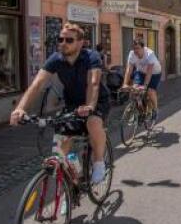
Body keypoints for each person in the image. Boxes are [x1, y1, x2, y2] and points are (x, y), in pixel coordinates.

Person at [10, 23, 110, 184]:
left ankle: (99, 163)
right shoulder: (56, 59)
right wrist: (20, 109)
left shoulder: (91, 57)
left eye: (69, 40)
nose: (63, 43)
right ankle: (70, 189)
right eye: (60, 39)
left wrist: (90, 106)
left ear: (80, 42)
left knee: (92, 122)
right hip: (72, 103)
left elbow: (94, 83)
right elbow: (36, 85)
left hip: (97, 101)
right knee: (61, 148)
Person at [121, 40, 162, 120]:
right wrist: (125, 84)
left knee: (150, 91)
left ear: (143, 48)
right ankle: (139, 110)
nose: (136, 50)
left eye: (138, 48)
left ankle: (155, 110)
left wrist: (145, 86)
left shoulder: (149, 54)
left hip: (154, 73)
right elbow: (129, 70)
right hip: (140, 72)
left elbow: (149, 72)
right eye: (134, 48)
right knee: (134, 89)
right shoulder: (132, 54)